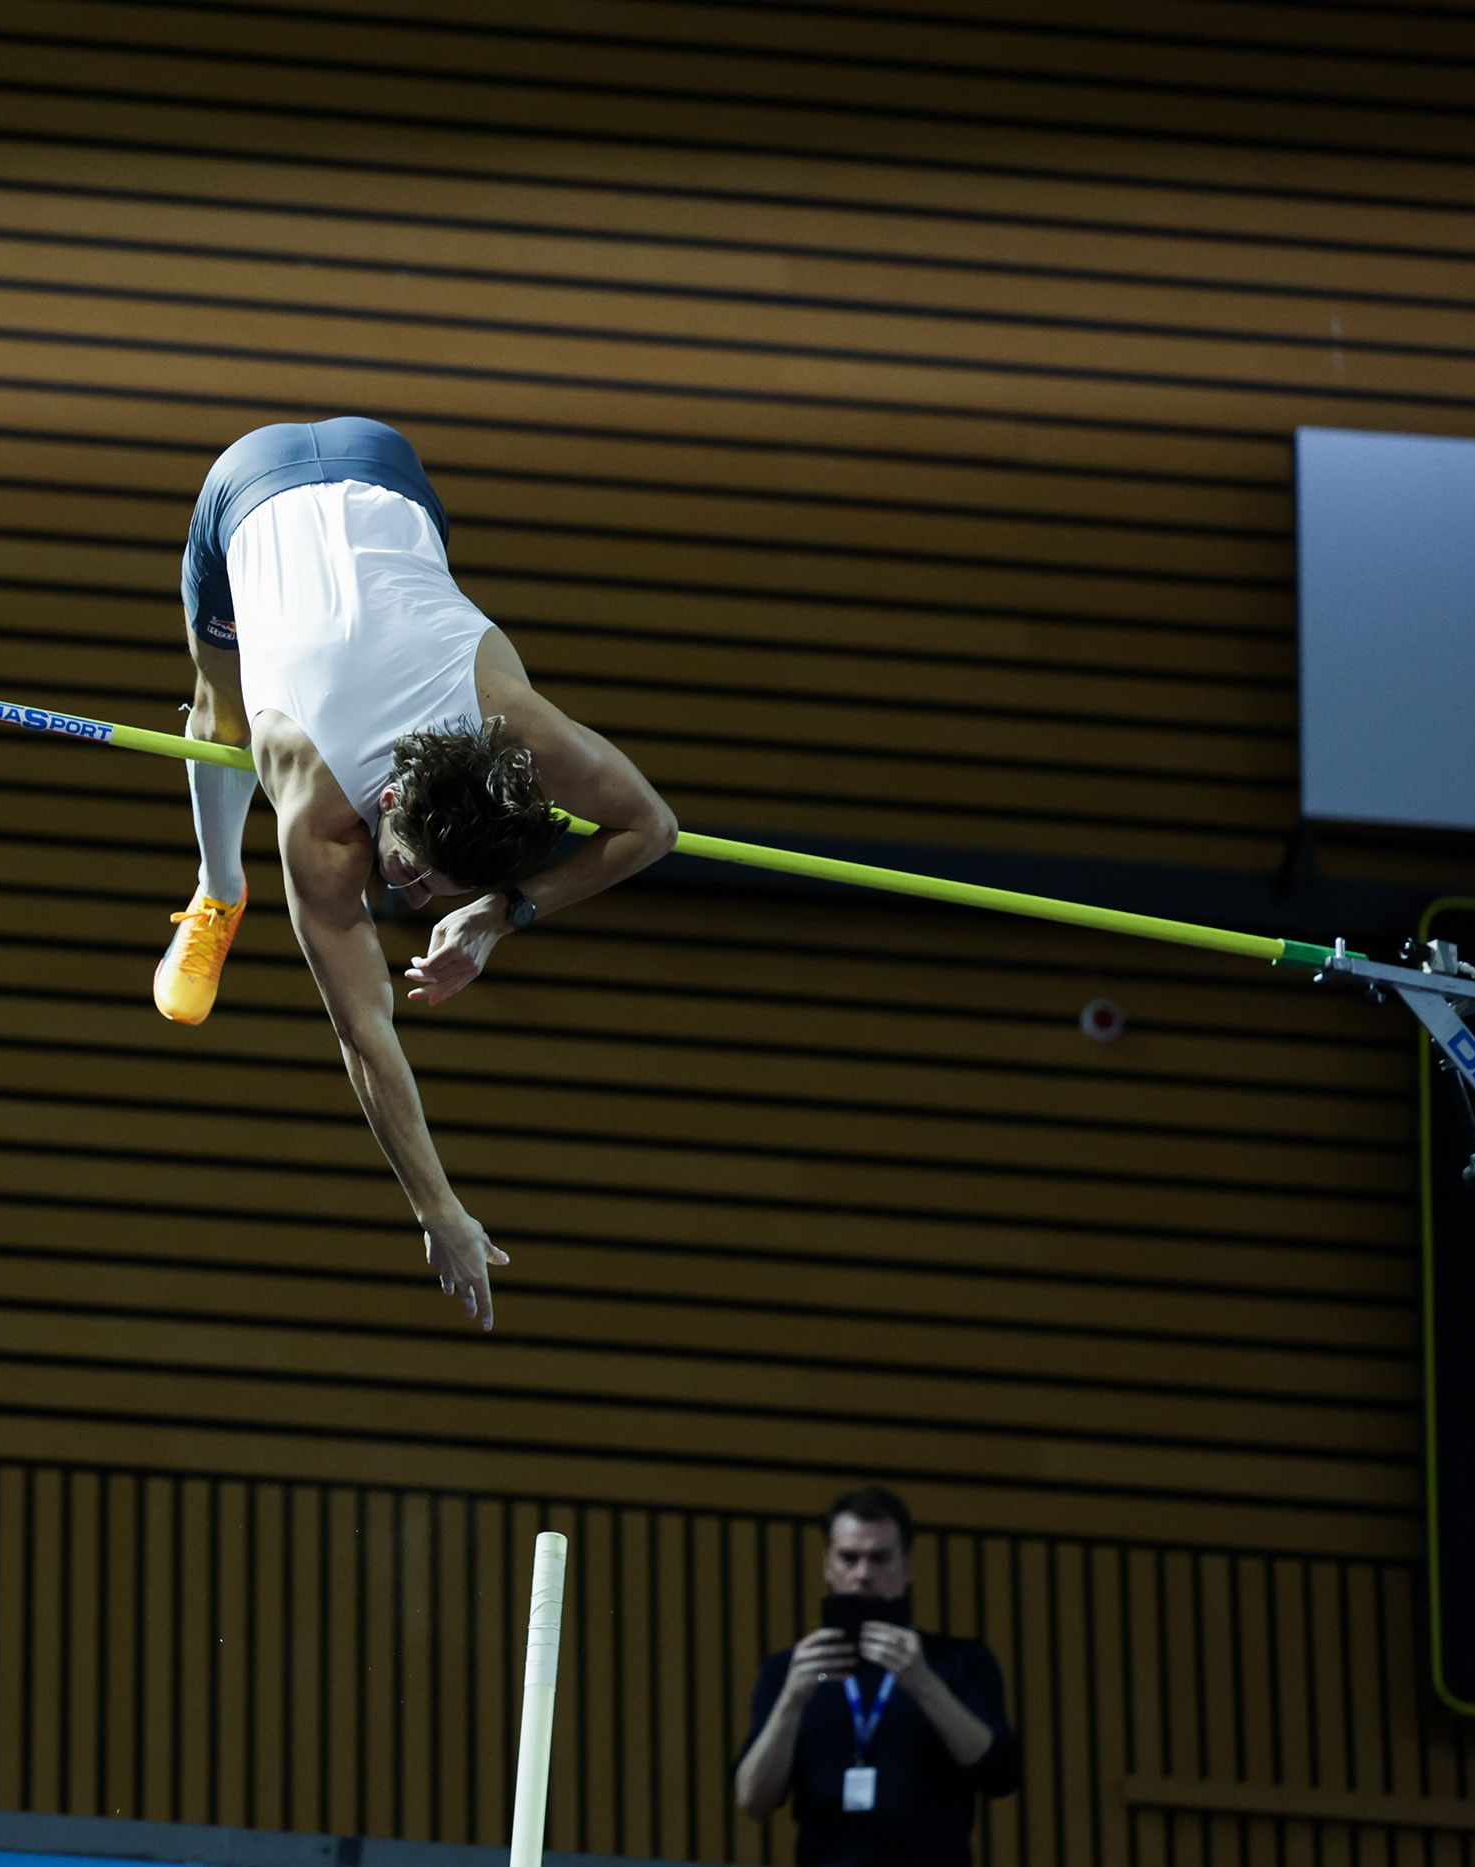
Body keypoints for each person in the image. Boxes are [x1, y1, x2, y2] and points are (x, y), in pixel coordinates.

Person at [153, 418, 678, 1331]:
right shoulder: (314, 806)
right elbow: (364, 1031)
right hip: (245, 494)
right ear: (391, 794)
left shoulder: (518, 728)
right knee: (218, 718)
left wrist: (500, 914)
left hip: (382, 464)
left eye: (432, 891)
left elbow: (654, 827)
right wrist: (436, 1206)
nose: (413, 895)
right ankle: (217, 890)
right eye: (423, 877)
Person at [733, 1487, 1022, 1865]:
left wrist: (923, 1683)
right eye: (849, 1558)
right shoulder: (790, 1671)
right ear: (827, 1566)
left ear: (907, 1566)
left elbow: (1000, 1775)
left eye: (880, 1558)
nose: (864, 1574)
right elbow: (753, 1801)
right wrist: (791, 1700)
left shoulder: (961, 1661)